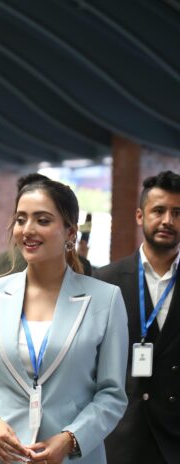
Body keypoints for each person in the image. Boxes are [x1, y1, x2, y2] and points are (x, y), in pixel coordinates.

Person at [0, 177, 128, 463]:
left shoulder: (105, 300)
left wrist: (71, 438)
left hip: (71, 458)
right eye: (21, 219)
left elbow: (112, 394)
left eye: (43, 220)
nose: (28, 230)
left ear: (70, 232)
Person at [96, 170, 180, 464]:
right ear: (140, 216)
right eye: (158, 210)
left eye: (177, 212)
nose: (167, 220)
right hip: (120, 437)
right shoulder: (105, 281)